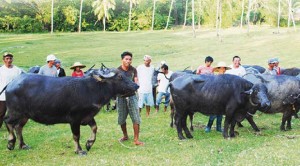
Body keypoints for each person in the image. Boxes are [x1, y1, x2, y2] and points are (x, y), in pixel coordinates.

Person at [117, 51, 144, 146]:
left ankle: (136, 139)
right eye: (126, 59)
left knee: (136, 118)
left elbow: (136, 81)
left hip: (132, 96)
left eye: (130, 59)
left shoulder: (133, 70)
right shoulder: (117, 71)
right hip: (121, 98)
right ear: (122, 60)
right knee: (121, 118)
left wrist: (137, 84)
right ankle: (125, 136)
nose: (128, 61)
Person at [204, 61, 231, 133]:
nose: (223, 69)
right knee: (213, 113)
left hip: (223, 98)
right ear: (218, 69)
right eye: (222, 68)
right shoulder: (215, 78)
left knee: (220, 114)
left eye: (224, 68)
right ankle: (208, 126)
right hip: (215, 98)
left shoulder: (227, 78)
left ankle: (218, 128)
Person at [0, 52, 23, 128]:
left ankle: (13, 126)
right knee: (1, 112)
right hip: (3, 96)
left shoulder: (17, 70)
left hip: (14, 96)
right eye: (7, 58)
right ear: (4, 60)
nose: (9, 60)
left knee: (14, 113)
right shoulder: (1, 70)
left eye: (10, 58)